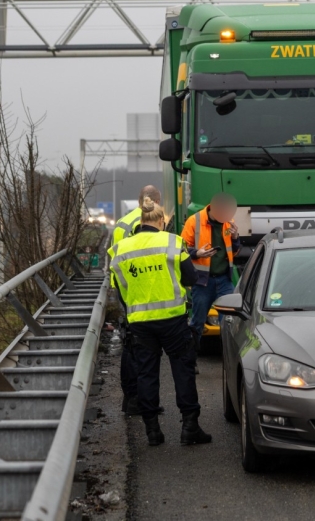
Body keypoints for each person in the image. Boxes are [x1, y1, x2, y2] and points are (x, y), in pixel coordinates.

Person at [108, 196, 211, 446]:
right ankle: (189, 427)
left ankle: (152, 431)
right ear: (161, 221)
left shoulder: (120, 250)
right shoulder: (172, 242)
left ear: (140, 221)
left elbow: (119, 289)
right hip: (173, 320)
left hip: (140, 323)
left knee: (146, 374)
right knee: (183, 371)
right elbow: (189, 278)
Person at [107, 185, 162, 416]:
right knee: (138, 347)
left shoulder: (122, 222)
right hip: (140, 288)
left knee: (132, 343)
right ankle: (136, 400)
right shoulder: (143, 223)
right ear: (154, 202)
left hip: (123, 286)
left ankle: (131, 398)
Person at [181, 192, 240, 372]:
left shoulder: (229, 222)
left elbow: (234, 250)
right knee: (197, 322)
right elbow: (181, 247)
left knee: (229, 322)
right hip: (202, 281)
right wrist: (197, 253)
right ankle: (190, 361)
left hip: (224, 279)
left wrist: (237, 238)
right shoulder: (194, 221)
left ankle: (231, 362)